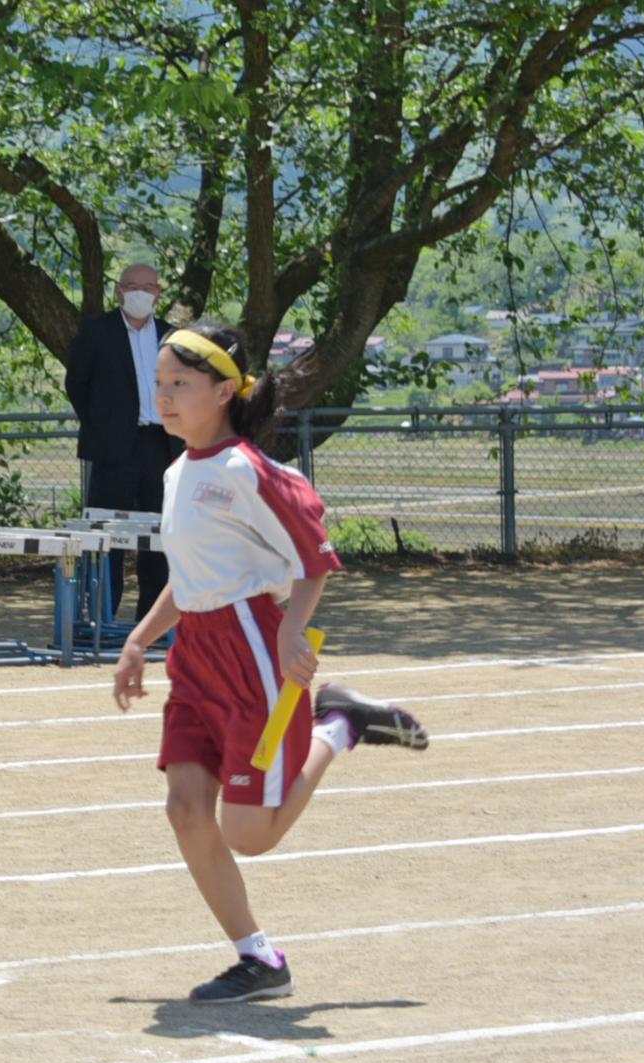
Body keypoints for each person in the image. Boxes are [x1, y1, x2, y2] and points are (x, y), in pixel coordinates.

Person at [111, 322, 430, 1004]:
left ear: (225, 390)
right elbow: (191, 575)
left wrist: (292, 628)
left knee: (248, 833)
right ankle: (259, 958)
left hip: (253, 648)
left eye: (181, 384)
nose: (164, 396)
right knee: (185, 807)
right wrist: (140, 639)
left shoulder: (247, 469)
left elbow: (316, 554)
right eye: (160, 382)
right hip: (195, 652)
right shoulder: (177, 472)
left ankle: (338, 725)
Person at [63, 264, 182, 622]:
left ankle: (152, 621)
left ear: (159, 293)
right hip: (113, 449)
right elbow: (76, 386)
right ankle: (101, 617)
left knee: (160, 538)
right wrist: (105, 425)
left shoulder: (171, 337)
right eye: (132, 286)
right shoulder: (96, 331)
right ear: (118, 291)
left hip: (161, 446)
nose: (140, 293)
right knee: (106, 537)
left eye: (148, 287)